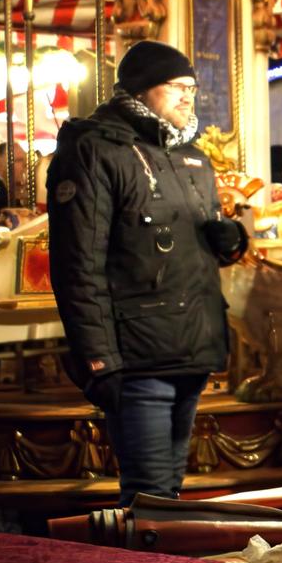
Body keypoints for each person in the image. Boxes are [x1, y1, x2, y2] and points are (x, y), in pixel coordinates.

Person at [46, 41, 247, 504]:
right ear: (140, 89)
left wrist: (231, 241)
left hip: (191, 348)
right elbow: (78, 267)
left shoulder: (191, 157)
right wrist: (99, 361)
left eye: (192, 89)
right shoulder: (95, 150)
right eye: (175, 87)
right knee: (150, 498)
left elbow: (187, 251)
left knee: (168, 496)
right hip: (137, 360)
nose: (187, 97)